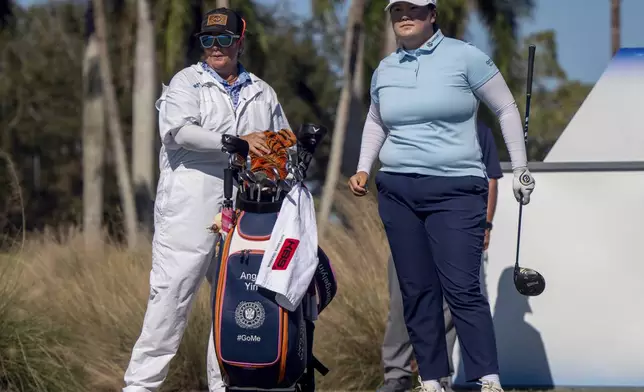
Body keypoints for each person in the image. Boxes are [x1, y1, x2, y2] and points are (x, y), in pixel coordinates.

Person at [347, 1, 536, 392]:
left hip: (457, 189)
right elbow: (376, 120)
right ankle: (431, 379)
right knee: (416, 290)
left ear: (432, 14)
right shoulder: (385, 68)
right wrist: (365, 166)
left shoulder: (465, 57)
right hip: (398, 190)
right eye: (397, 10)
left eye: (412, 9)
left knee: (462, 287)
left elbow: (505, 108)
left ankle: (488, 378)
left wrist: (519, 168)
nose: (404, 16)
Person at [122, 7, 291, 392]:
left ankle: (224, 386)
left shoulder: (262, 91)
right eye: (208, 40)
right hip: (188, 209)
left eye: (224, 39)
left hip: (246, 212)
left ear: (239, 41)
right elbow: (181, 132)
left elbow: (280, 146)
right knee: (171, 299)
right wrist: (238, 142)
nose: (216, 48)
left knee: (231, 304)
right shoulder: (185, 83)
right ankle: (140, 386)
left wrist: (286, 152)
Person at [377, 122, 503, 392]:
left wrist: (486, 224)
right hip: (411, 230)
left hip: (455, 230)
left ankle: (439, 378)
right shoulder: (409, 122)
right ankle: (396, 375)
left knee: (449, 309)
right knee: (404, 302)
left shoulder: (478, 129)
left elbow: (490, 178)